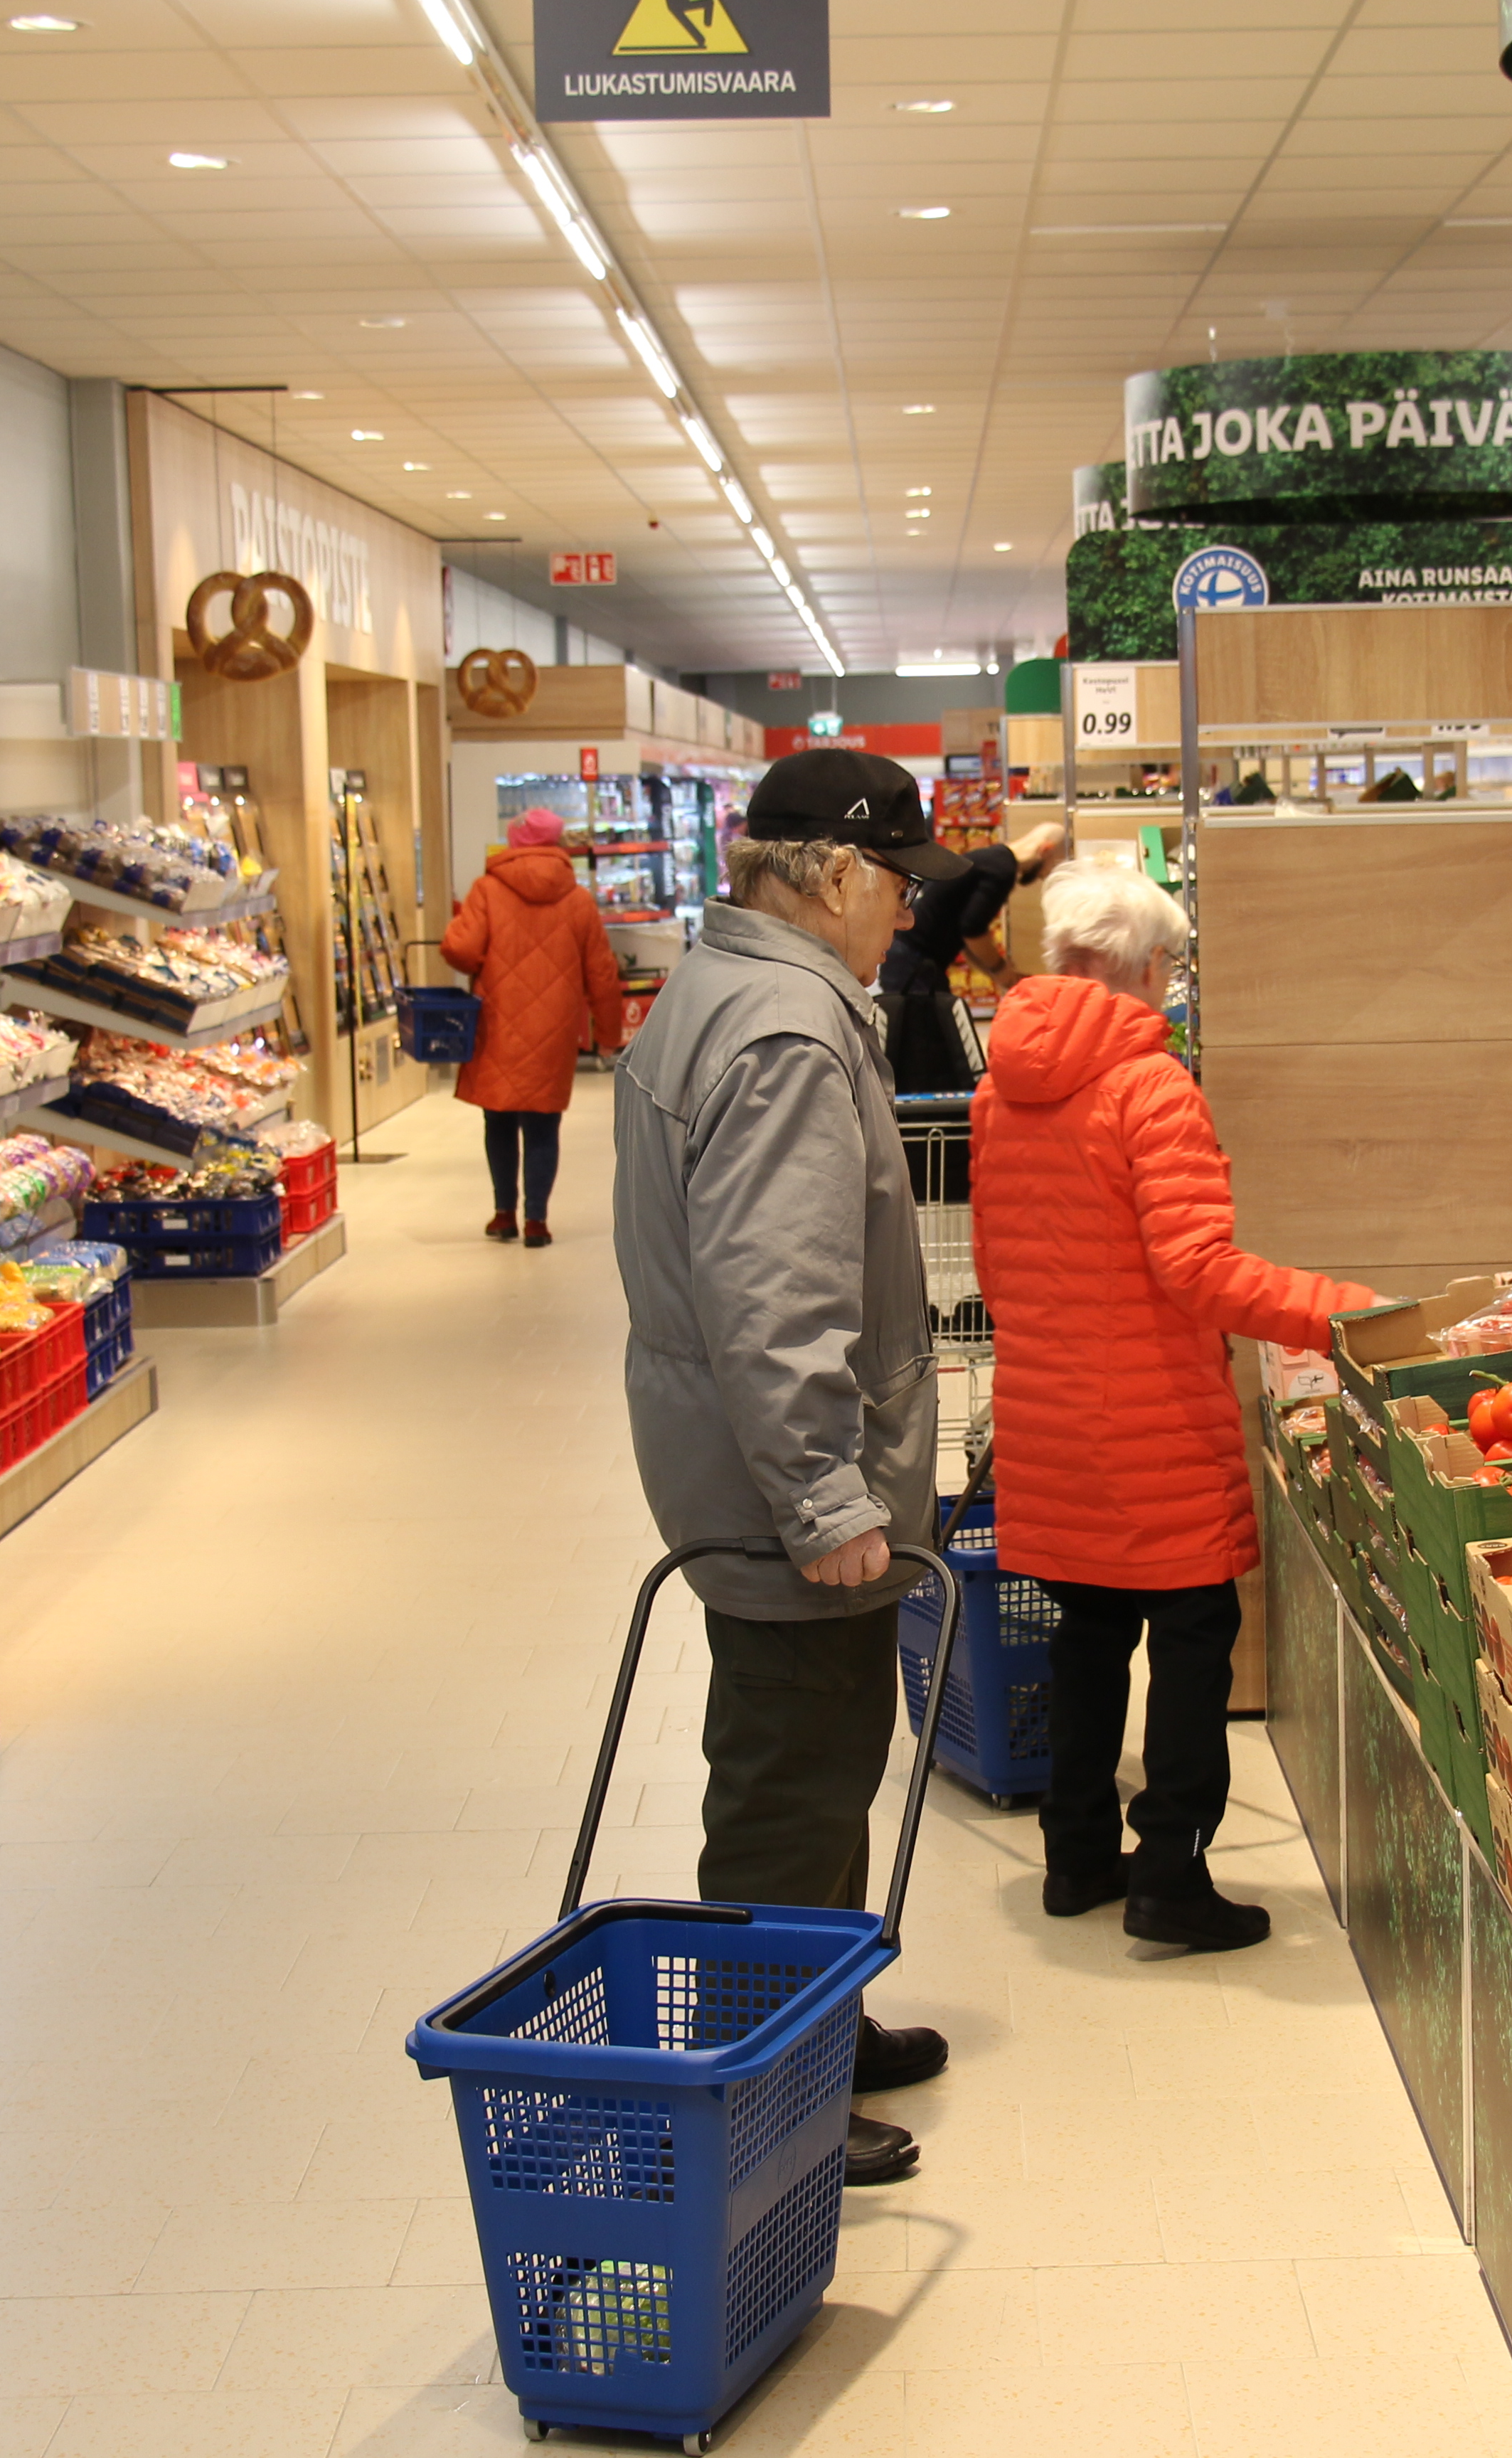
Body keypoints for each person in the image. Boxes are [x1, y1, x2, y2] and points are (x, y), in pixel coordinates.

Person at [612, 746, 968, 2187]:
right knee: (784, 1792)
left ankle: (826, 2016)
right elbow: (777, 1298)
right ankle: (766, 2102)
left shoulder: (733, 989)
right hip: (784, 1496)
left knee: (823, 1768)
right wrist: (827, 1497)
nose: (908, 914)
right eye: (896, 882)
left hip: (744, 1471)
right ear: (832, 878)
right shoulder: (788, 1036)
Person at [969, 863, 1376, 1950]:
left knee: (1086, 1641)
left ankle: (1076, 1859)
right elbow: (1200, 1271)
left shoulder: (998, 1088)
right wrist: (1348, 1313)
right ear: (1148, 965)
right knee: (1194, 1647)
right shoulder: (1152, 1088)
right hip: (1151, 1424)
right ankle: (1173, 1879)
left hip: (1049, 1422)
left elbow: (998, 1269)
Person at [440, 812, 624, 1248]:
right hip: (554, 1028)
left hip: (498, 1021)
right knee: (544, 1125)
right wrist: (609, 1035)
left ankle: (504, 1214)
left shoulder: (487, 889)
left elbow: (458, 949)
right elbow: (602, 973)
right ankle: (537, 1221)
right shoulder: (578, 900)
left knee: (498, 1120)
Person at [877, 816, 1069, 1101]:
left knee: (921, 1035)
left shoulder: (991, 860)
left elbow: (963, 934)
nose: (1044, 877)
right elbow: (973, 930)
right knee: (924, 1038)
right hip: (915, 960)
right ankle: (919, 1108)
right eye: (1052, 867)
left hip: (908, 955)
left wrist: (998, 974)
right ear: (1046, 849)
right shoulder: (1003, 871)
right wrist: (1002, 971)